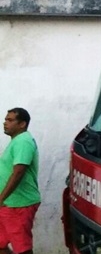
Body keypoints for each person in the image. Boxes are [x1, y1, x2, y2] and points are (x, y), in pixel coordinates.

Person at [0, 108, 40, 254]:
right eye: (5, 119)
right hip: (8, 203)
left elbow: (19, 172)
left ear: (22, 124)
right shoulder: (17, 141)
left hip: (19, 204)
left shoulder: (23, 142)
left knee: (22, 249)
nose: (5, 123)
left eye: (10, 120)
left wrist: (2, 197)